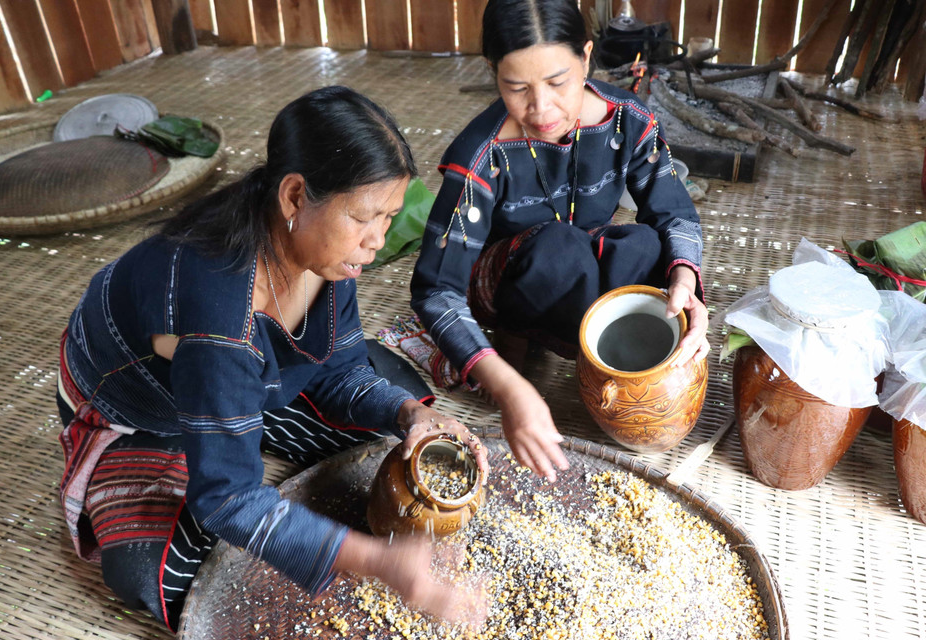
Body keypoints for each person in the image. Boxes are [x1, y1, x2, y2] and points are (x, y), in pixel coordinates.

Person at [56, 86, 489, 631]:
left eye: (389, 217)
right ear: (294, 197)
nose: (377, 240)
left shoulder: (327, 255)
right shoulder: (217, 317)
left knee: (395, 402)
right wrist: (377, 561)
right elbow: (228, 500)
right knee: (165, 569)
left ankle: (248, 419)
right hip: (143, 411)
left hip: (233, 376)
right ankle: (203, 441)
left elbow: (341, 367)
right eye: (364, 217)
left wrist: (411, 415)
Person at [410, 0, 710, 483]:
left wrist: (684, 282)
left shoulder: (627, 119)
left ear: (586, 58)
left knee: (645, 246)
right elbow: (436, 290)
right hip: (514, 277)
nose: (541, 108)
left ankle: (617, 365)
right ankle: (534, 344)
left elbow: (674, 211)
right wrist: (502, 383)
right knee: (559, 248)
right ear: (493, 72)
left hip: (583, 258)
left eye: (557, 82)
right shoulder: (481, 154)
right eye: (517, 88)